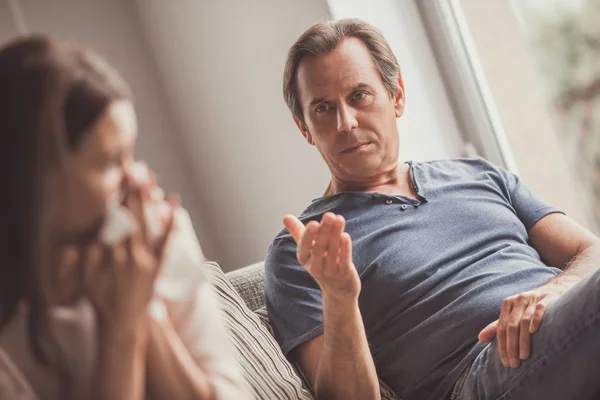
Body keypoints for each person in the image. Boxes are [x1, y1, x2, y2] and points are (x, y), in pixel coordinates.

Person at [264, 18, 600, 400]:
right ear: (304, 127)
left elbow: (590, 251)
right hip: (481, 375)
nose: (346, 122)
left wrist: (556, 291)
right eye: (323, 108)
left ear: (398, 96)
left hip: (568, 327)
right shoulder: (301, 249)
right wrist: (339, 297)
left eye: (359, 95)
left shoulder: (477, 174)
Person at [0, 35, 249, 400]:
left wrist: (143, 303)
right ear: (34, 180)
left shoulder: (159, 234)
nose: (139, 180)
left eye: (131, 153)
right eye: (108, 161)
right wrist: (120, 329)